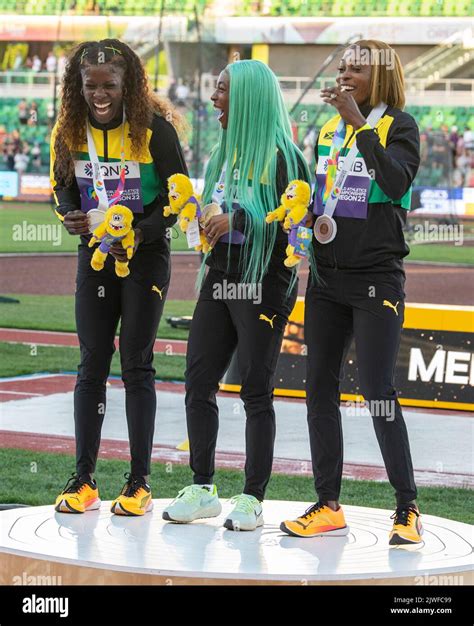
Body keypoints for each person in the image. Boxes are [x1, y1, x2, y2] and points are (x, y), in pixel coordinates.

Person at [280, 40, 423, 545]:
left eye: (355, 69)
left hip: (376, 279)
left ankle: (407, 508)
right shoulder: (327, 130)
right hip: (325, 278)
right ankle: (327, 504)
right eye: (342, 66)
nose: (344, 74)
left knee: (378, 390)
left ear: (380, 77)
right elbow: (326, 197)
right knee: (318, 387)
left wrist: (360, 125)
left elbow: (396, 178)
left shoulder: (398, 126)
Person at [163, 60, 310, 531]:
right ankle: (203, 487)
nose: (214, 99)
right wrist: (206, 219)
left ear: (247, 98)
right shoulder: (223, 152)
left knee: (255, 391)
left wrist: (239, 220)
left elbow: (293, 221)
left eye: (222, 91)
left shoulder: (284, 156)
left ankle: (252, 497)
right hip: (220, 278)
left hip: (263, 286)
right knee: (198, 381)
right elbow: (225, 206)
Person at [51, 39, 188, 516]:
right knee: (91, 363)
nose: (100, 94)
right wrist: (70, 214)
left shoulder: (155, 131)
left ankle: (139, 481)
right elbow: (63, 187)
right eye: (90, 85)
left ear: (128, 83)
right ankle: (84, 478)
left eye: (110, 84)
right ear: (78, 86)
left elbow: (178, 200)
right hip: (94, 257)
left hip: (145, 258)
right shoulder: (68, 129)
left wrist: (141, 228)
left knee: (136, 363)